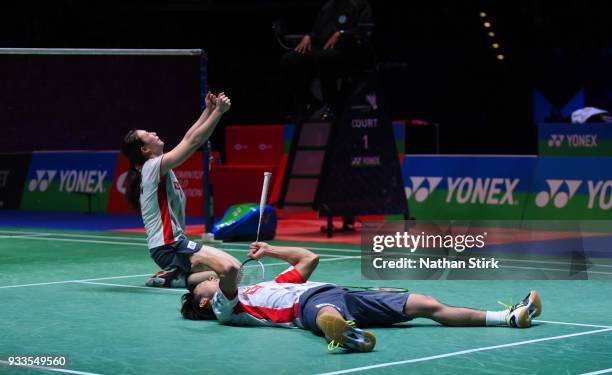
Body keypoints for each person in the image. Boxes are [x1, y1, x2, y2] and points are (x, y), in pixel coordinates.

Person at [180, 242, 542, 352]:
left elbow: (308, 259)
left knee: (427, 305)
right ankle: (342, 333)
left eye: (208, 276)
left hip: (342, 294)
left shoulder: (262, 286)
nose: (210, 278)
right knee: (323, 313)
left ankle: (509, 317)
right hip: (303, 308)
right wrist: (199, 253)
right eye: (204, 282)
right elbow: (227, 270)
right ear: (202, 301)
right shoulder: (226, 307)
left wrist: (271, 249)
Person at [120, 91, 231, 288]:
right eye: (149, 135)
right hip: (170, 246)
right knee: (230, 268)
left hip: (169, 247)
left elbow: (189, 136)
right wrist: (218, 113)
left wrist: (208, 111)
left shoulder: (157, 168)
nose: (154, 133)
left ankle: (174, 276)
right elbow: (193, 142)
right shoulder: (151, 167)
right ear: (145, 150)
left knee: (220, 273)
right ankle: (174, 272)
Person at [280, 0, 373, 120]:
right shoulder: (328, 6)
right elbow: (317, 32)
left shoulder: (361, 4)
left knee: (324, 57)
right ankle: (310, 102)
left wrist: (342, 34)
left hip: (347, 52)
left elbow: (365, 31)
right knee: (289, 60)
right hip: (322, 50)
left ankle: (333, 106)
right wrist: (309, 36)